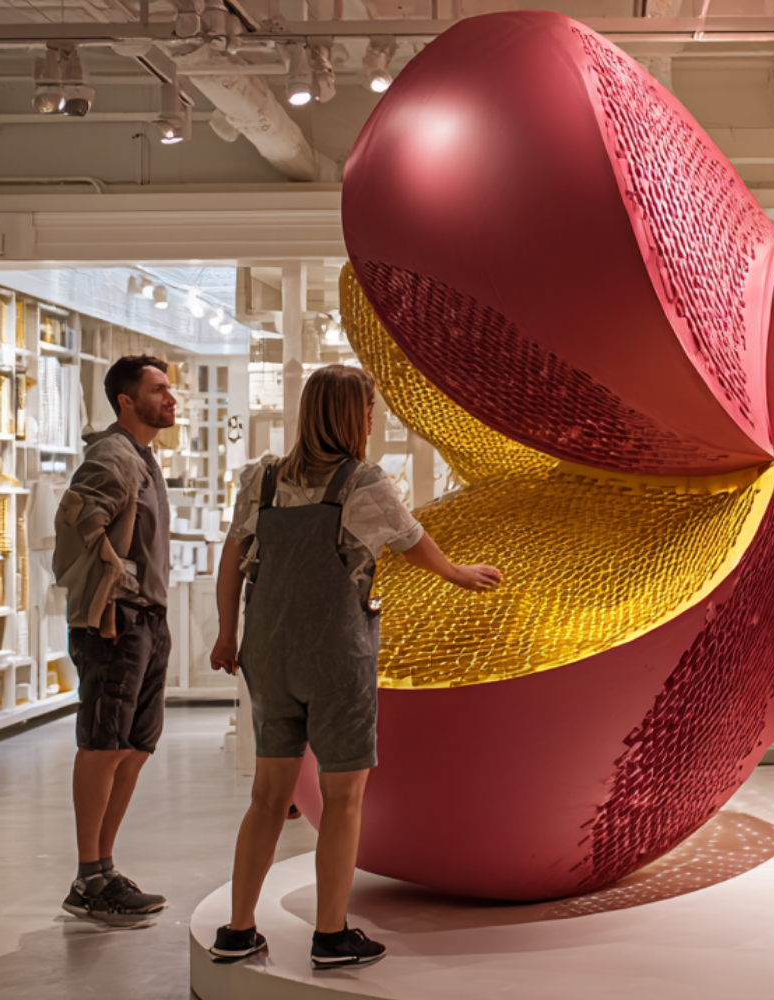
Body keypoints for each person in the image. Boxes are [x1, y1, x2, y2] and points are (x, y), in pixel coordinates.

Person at [205, 365, 502, 969]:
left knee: (267, 797)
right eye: (369, 409)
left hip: (268, 651)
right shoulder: (362, 482)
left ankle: (237, 931)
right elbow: (411, 539)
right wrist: (455, 573)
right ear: (353, 416)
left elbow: (233, 559)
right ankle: (331, 935)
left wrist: (226, 634)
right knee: (342, 799)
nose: (373, 419)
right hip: (335, 656)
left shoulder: (260, 480)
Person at [51, 355, 179, 926]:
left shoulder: (144, 458)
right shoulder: (112, 455)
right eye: (158, 389)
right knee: (103, 743)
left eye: (169, 388)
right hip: (117, 621)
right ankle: (90, 875)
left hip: (148, 620)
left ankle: (99, 871)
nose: (170, 398)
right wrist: (120, 584)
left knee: (134, 746)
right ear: (127, 400)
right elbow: (79, 522)